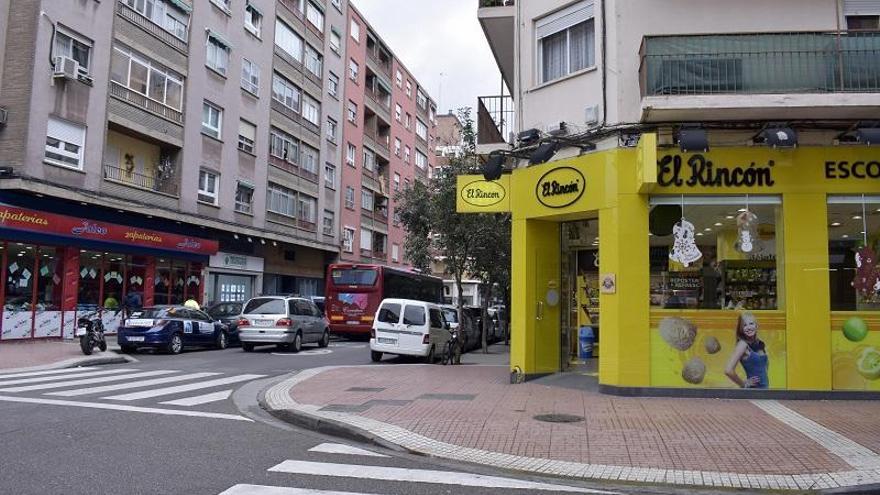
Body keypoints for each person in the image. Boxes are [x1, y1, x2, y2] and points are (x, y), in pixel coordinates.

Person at [725, 312, 768, 389]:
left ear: (756, 325)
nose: (748, 327)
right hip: (753, 392)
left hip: (765, 390)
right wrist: (743, 384)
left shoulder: (760, 343)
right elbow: (728, 370)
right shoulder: (743, 345)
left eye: (751, 323)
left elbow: (764, 367)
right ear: (741, 329)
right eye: (744, 325)